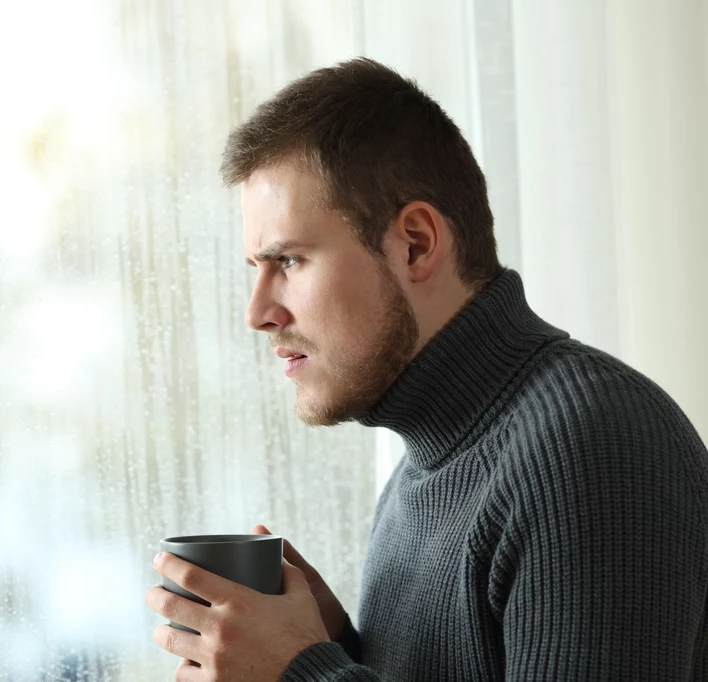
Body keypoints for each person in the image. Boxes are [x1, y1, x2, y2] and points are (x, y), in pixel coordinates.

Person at [145, 57, 708, 681]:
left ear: (415, 242)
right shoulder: (422, 469)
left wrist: (303, 673)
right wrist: (338, 647)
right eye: (256, 268)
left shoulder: (591, 444)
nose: (258, 312)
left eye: (290, 261)